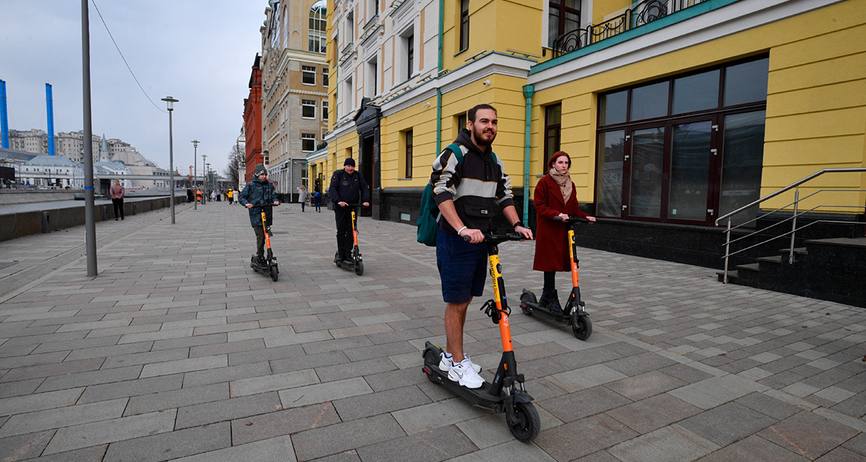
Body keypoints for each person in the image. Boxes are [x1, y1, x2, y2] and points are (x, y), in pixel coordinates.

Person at [431, 104, 533, 389]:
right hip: (456, 238)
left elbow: (504, 195)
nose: (490, 126)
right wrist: (461, 228)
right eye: (484, 121)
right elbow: (442, 192)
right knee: (457, 300)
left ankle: (451, 356)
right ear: (470, 123)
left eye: (494, 122)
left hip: (482, 239)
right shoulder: (455, 154)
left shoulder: (494, 160)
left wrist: (516, 225)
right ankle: (457, 363)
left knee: (465, 299)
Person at [533, 151, 596, 313]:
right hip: (549, 230)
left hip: (563, 230)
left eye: (566, 163)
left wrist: (585, 216)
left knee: (558, 262)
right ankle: (550, 297)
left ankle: (547, 295)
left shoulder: (570, 184)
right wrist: (556, 214)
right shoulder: (544, 182)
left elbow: (573, 208)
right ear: (553, 164)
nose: (563, 165)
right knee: (550, 264)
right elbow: (539, 206)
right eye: (560, 162)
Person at [328, 158, 370, 263]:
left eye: (352, 166)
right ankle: (341, 254)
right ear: (345, 166)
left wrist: (365, 200)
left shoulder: (357, 175)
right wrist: (338, 201)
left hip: (353, 207)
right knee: (341, 230)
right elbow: (332, 189)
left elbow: (364, 188)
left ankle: (348, 254)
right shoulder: (338, 174)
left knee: (352, 230)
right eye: (348, 166)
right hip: (341, 208)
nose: (350, 168)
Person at [238, 165, 280, 266]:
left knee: (266, 235)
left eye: (265, 174)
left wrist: (276, 200)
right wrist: (246, 203)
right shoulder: (251, 185)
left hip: (267, 213)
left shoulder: (269, 185)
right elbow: (241, 197)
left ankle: (268, 255)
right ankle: (260, 255)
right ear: (257, 175)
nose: (264, 176)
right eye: (262, 174)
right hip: (256, 214)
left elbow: (274, 195)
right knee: (260, 236)